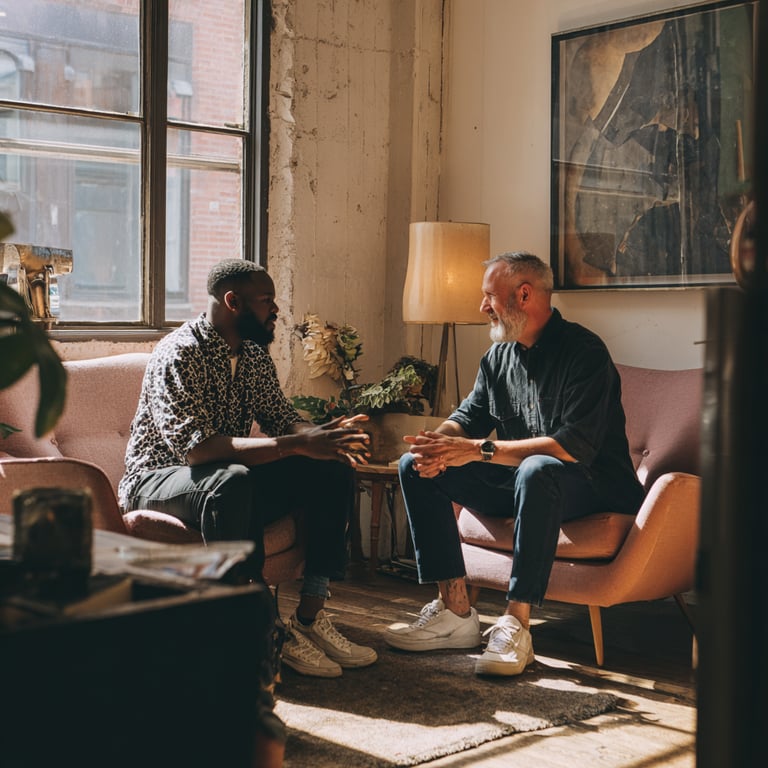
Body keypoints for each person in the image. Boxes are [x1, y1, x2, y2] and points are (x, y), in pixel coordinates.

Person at [118, 259, 378, 688]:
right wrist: (294, 445)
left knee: (328, 467)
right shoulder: (180, 353)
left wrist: (319, 437)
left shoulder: (254, 356)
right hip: (158, 479)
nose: (276, 311)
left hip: (221, 477)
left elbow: (280, 418)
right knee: (232, 481)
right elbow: (198, 450)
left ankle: (310, 618)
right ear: (232, 301)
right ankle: (261, 627)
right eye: (266, 302)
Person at [385, 251, 644, 676]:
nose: (482, 307)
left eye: (489, 296)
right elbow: (468, 418)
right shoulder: (498, 359)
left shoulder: (586, 352)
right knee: (413, 465)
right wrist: (438, 443)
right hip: (523, 482)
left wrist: (478, 450)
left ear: (523, 295)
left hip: (592, 485)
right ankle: (455, 612)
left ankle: (516, 624)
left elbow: (570, 447)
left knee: (537, 468)